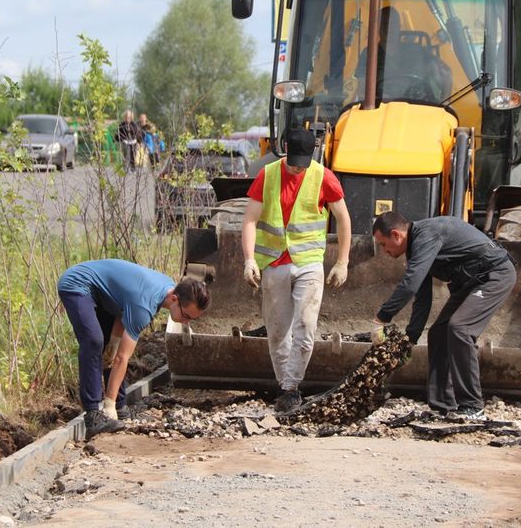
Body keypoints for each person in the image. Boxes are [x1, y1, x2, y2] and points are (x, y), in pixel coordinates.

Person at [241, 128, 352, 412]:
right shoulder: (267, 175)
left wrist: (342, 262)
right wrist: (249, 259)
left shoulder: (323, 176)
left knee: (305, 327)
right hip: (274, 263)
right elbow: (251, 219)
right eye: (292, 162)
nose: (296, 168)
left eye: (301, 163)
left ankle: (291, 389)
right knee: (278, 331)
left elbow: (343, 219)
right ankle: (284, 387)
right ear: (285, 149)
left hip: (309, 263)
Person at [371, 211, 516, 419]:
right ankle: (442, 406)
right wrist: (409, 340)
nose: (384, 251)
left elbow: (409, 285)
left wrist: (382, 318)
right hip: (472, 282)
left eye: (383, 244)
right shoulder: (416, 247)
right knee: (438, 333)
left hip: (495, 275)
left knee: (460, 328)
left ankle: (473, 406)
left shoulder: (427, 235)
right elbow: (422, 298)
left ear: (396, 235)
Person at [58, 259, 211, 438]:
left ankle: (121, 408)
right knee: (94, 342)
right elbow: (121, 359)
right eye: (186, 316)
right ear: (174, 299)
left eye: (192, 319)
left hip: (103, 294)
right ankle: (93, 416)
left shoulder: (168, 288)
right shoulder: (144, 307)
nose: (187, 322)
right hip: (77, 284)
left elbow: (124, 308)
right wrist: (109, 404)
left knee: (109, 346)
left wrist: (114, 341)